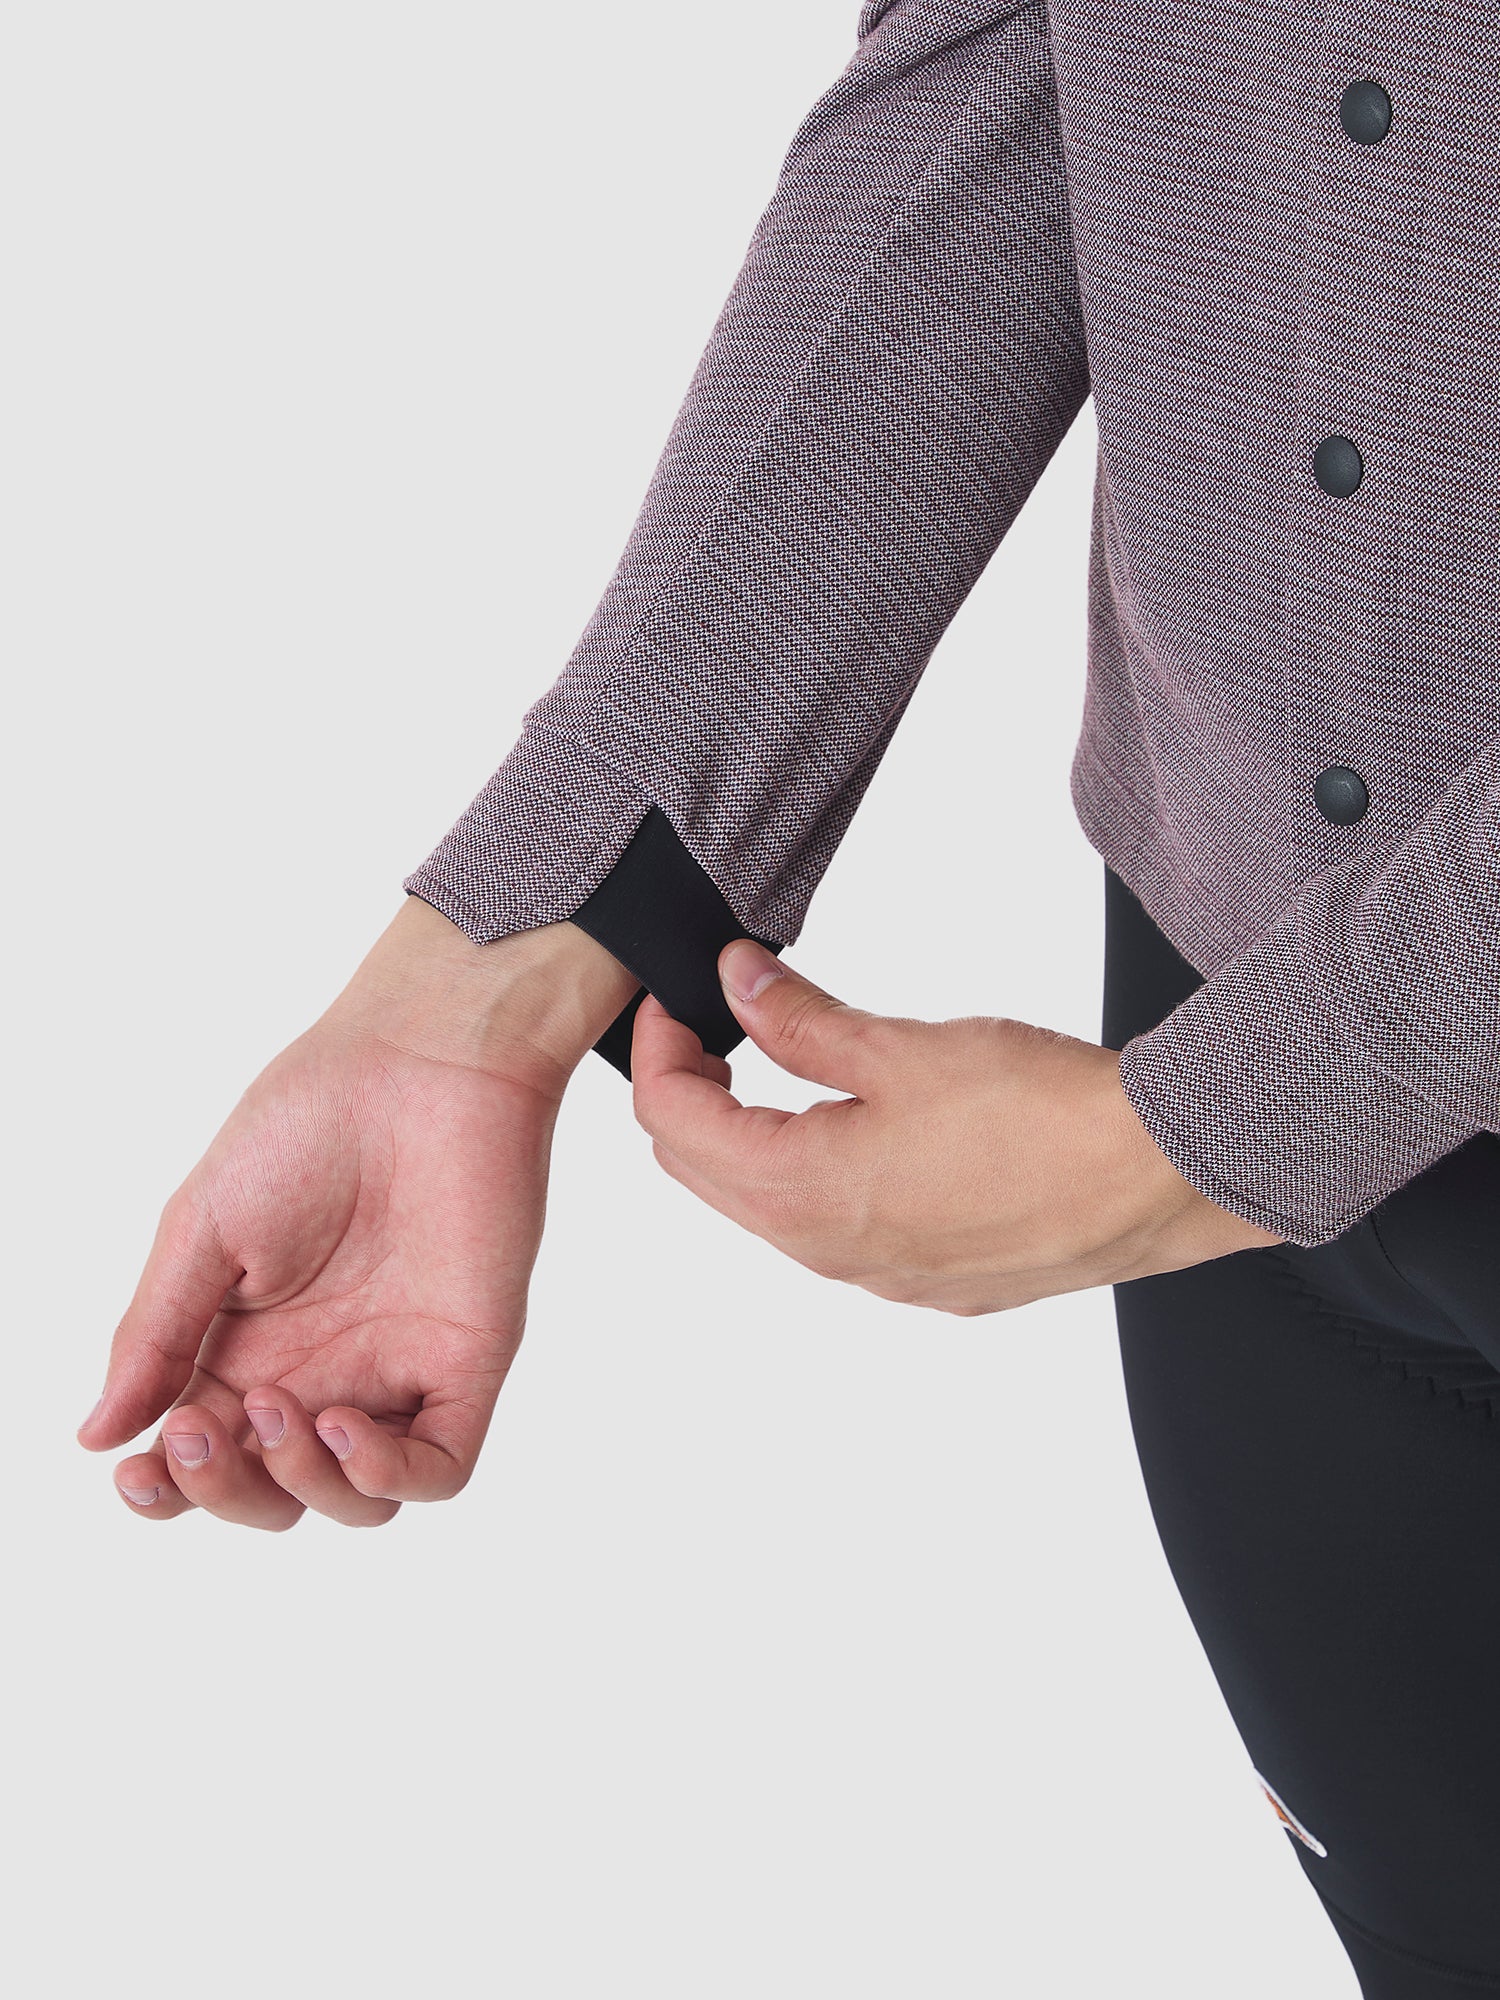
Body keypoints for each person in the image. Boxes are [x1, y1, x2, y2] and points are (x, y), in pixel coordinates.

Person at [77, 1, 1500, 1989]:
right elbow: (1021, 64)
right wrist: (485, 985)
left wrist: (1218, 1129)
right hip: (1228, 1107)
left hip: (1185, 1144)